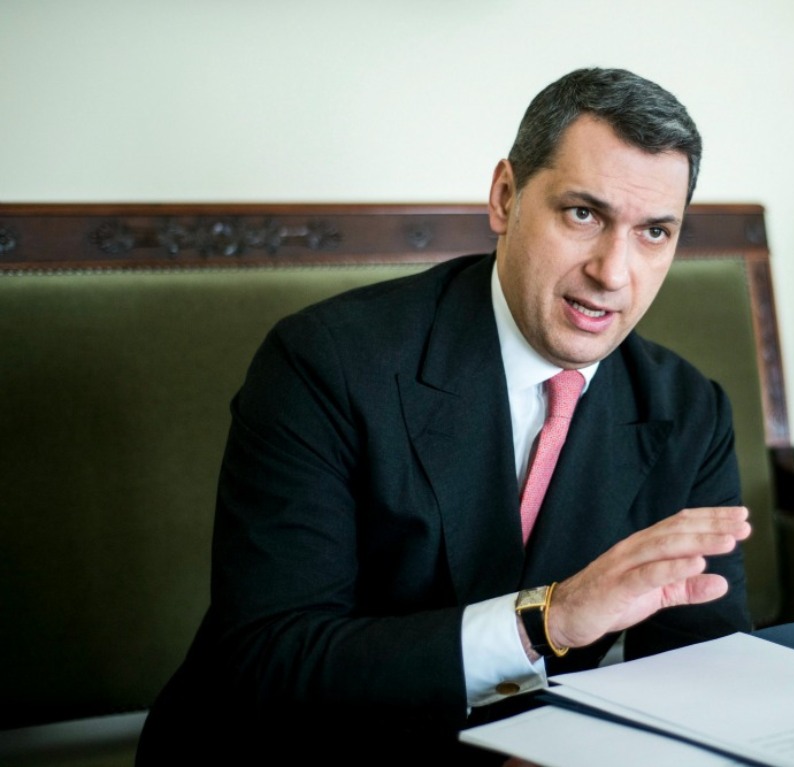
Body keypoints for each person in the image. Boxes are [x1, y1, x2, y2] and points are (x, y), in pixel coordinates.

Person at [135, 66, 753, 765]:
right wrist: (546, 621)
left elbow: (697, 668)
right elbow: (274, 659)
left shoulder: (690, 411)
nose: (613, 272)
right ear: (505, 197)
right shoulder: (326, 362)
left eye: (654, 232)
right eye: (583, 214)